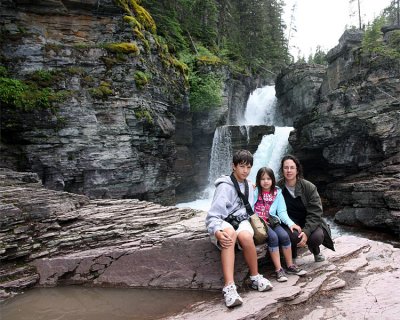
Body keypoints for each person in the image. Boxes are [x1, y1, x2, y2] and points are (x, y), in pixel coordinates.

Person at [205, 150, 273, 308]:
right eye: (242, 166)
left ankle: (255, 277)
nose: (245, 170)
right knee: (229, 235)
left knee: (246, 237)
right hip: (224, 220)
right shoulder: (224, 186)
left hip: (241, 220)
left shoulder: (249, 184)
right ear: (233, 166)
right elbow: (213, 215)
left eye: (248, 167)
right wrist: (216, 231)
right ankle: (229, 287)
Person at [253, 167, 307, 282]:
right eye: (263, 179)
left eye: (268, 178)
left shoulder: (277, 192)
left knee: (284, 236)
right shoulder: (255, 192)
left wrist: (291, 224)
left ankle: (290, 265)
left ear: (273, 180)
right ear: (258, 180)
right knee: (273, 237)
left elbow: (282, 211)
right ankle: (278, 269)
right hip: (260, 224)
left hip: (273, 221)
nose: (266, 181)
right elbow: (249, 207)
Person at [277, 154, 335, 262]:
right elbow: (265, 194)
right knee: (293, 236)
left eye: (292, 167)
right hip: (290, 223)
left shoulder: (309, 187)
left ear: (297, 170)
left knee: (316, 237)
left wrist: (307, 231)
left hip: (308, 221)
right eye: (286, 168)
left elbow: (316, 212)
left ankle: (316, 251)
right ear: (282, 170)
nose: (289, 170)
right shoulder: (278, 187)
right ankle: (292, 255)